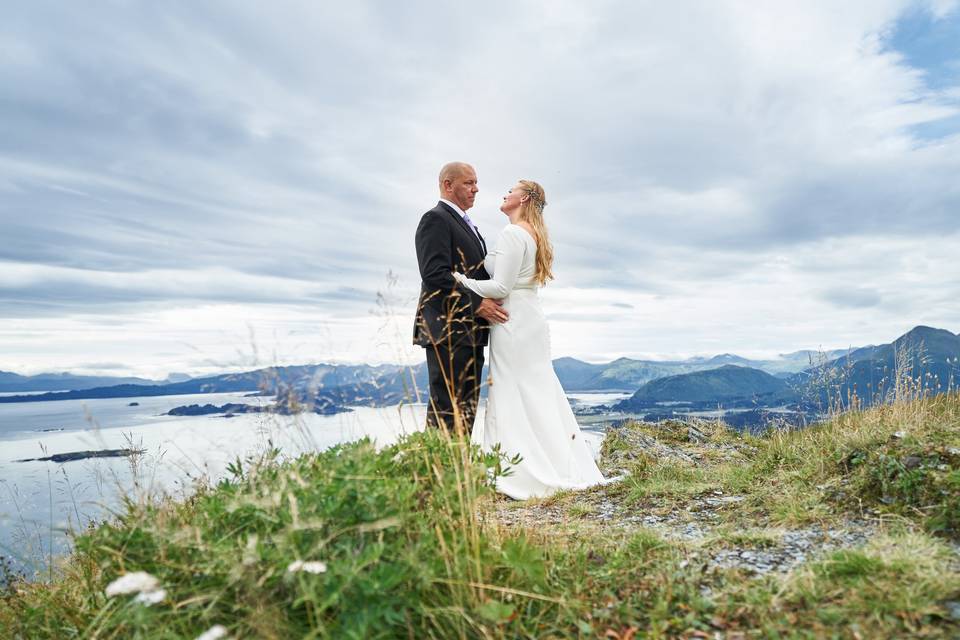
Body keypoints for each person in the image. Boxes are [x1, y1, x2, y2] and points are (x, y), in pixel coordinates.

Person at [453, 180, 607, 499]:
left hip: (513, 321)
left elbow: (500, 289)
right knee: (536, 389)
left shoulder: (513, 233)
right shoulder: (533, 233)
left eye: (510, 190)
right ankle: (546, 461)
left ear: (522, 198)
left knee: (511, 389)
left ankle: (514, 470)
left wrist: (461, 281)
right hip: (528, 317)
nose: (503, 194)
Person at [413, 162, 508, 433]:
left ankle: (459, 472)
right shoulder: (435, 219)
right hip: (448, 329)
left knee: (465, 410)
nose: (476, 189)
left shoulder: (469, 226)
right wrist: (477, 305)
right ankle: (438, 473)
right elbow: (434, 274)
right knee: (446, 410)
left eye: (476, 183)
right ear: (447, 184)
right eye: (469, 183)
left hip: (470, 333)